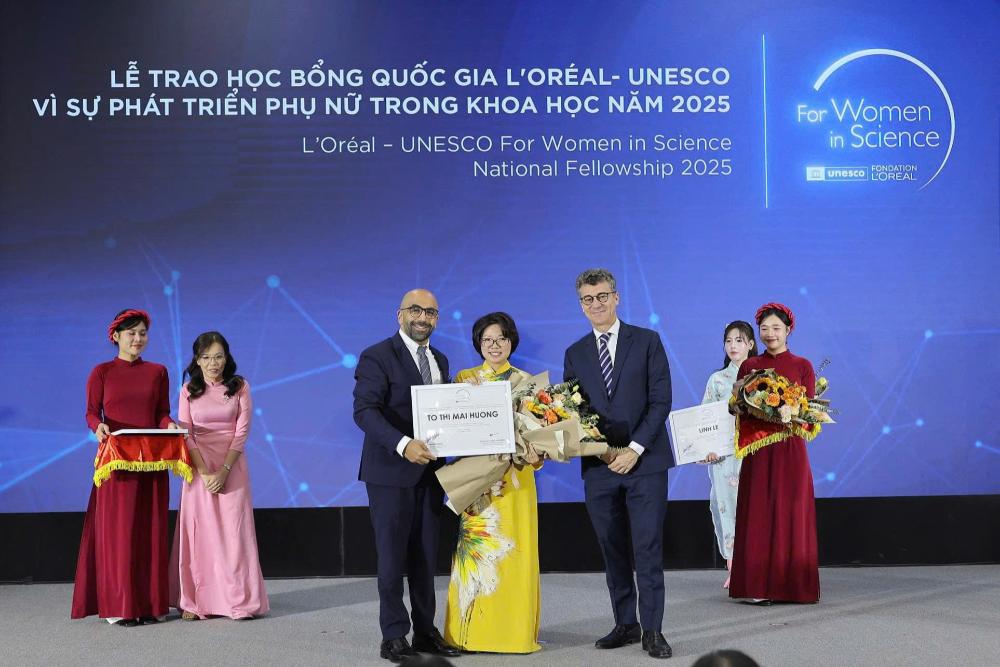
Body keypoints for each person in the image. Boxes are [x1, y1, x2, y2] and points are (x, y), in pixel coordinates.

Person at [563, 268, 673, 659]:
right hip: (600, 467)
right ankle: (626, 624)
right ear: (581, 304)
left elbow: (661, 401)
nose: (596, 304)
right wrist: (605, 452)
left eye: (602, 296)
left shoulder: (647, 341)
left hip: (646, 463)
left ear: (616, 297)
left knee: (647, 547)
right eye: (588, 299)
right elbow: (573, 411)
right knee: (612, 549)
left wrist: (634, 449)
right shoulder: (575, 353)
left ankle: (653, 630)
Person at [353, 289, 460, 663]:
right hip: (390, 473)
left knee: (426, 557)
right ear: (399, 315)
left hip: (431, 475)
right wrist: (403, 445)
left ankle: (426, 632)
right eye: (416, 310)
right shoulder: (377, 355)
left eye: (431, 312)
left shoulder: (439, 359)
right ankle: (394, 636)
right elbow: (365, 411)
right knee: (392, 557)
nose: (423, 317)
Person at [71, 309, 179, 626]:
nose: (138, 339)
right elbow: (91, 412)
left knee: (150, 531)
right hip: (116, 461)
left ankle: (149, 604)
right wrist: (98, 427)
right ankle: (120, 606)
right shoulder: (101, 372)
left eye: (143, 333)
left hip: (151, 462)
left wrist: (169, 425)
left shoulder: (158, 371)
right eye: (131, 333)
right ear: (116, 336)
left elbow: (161, 412)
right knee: (118, 534)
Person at [443, 312, 542, 654]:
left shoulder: (529, 383)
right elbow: (451, 429)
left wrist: (534, 453)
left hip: (516, 482)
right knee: (477, 554)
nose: (494, 345)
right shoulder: (464, 378)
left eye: (501, 338)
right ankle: (468, 635)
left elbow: (541, 441)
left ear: (511, 341)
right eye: (487, 340)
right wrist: (463, 397)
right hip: (477, 482)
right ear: (478, 344)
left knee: (515, 555)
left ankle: (514, 635)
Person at [169, 331, 269, 620]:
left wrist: (223, 471)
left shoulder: (240, 386)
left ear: (227, 358)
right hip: (198, 465)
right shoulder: (188, 390)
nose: (213, 363)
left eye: (218, 357)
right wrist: (203, 472)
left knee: (235, 534)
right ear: (197, 360)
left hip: (231, 464)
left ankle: (239, 601)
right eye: (207, 357)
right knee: (199, 534)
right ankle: (195, 601)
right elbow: (186, 433)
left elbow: (242, 432)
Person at [729, 303, 820, 604]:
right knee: (758, 511)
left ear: (788, 330)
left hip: (790, 450)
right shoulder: (749, 366)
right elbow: (736, 406)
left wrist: (791, 409)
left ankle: (793, 587)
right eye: (764, 329)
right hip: (759, 451)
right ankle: (756, 587)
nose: (770, 334)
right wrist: (742, 404)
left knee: (790, 512)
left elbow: (809, 412)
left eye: (776, 328)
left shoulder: (803, 365)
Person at [700, 321, 757, 589]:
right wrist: (705, 449)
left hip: (754, 453)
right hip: (724, 458)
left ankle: (758, 566)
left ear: (750, 344)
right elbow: (704, 418)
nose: (733, 346)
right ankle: (735, 569)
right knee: (727, 510)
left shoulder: (762, 378)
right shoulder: (718, 380)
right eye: (729, 341)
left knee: (755, 509)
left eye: (739, 340)